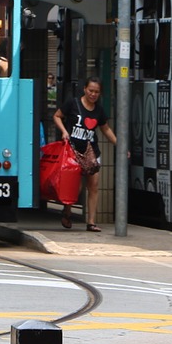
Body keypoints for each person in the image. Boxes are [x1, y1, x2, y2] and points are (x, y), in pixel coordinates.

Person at [52, 77, 118, 233]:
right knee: (75, 186)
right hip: (73, 151)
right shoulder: (73, 103)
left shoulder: (99, 110)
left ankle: (91, 222)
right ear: (85, 89)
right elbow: (57, 116)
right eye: (91, 91)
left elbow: (105, 129)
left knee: (93, 186)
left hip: (91, 152)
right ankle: (67, 211)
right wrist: (64, 131)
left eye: (96, 92)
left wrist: (119, 145)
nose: (93, 94)